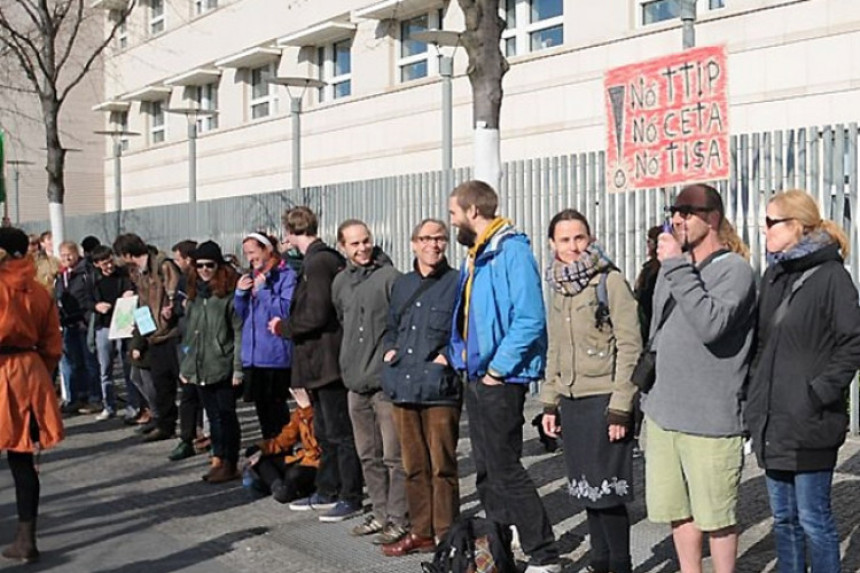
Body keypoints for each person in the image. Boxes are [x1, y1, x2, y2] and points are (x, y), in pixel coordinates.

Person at [642, 184, 757, 573]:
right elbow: (656, 332)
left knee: (717, 517)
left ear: (712, 218)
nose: (676, 219)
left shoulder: (735, 271)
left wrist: (675, 266)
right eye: (673, 211)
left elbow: (712, 325)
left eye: (686, 212)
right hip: (665, 414)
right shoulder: (671, 270)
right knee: (678, 511)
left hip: (710, 419)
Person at [447, 180, 561, 573]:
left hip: (500, 378)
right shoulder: (477, 254)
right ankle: (498, 550)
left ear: (472, 211)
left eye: (454, 213)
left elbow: (530, 317)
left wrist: (498, 369)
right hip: (477, 377)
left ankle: (544, 554)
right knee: (486, 470)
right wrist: (459, 355)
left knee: (507, 468)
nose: (452, 222)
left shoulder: (510, 250)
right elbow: (467, 316)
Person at [745, 190, 860, 573]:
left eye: (770, 222)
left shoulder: (832, 276)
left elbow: (853, 342)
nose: (764, 230)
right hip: (773, 420)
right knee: (784, 520)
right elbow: (763, 343)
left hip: (811, 420)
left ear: (797, 225)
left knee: (814, 520)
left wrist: (819, 393)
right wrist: (755, 397)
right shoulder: (774, 274)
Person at [539, 210, 641, 573]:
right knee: (586, 491)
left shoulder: (609, 281)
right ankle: (600, 563)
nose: (573, 247)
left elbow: (630, 346)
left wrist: (621, 407)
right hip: (571, 400)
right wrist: (549, 403)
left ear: (591, 237)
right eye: (564, 240)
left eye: (579, 238)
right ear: (552, 243)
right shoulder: (557, 285)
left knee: (608, 493)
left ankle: (620, 565)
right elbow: (554, 347)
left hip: (604, 400)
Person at [273, 206, 364, 524]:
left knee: (339, 431)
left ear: (289, 231)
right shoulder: (315, 261)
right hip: (318, 362)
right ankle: (329, 488)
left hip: (327, 360)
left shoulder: (319, 261)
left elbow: (317, 313)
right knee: (325, 430)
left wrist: (284, 326)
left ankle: (349, 493)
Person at [380, 218, 461, 557]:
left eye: (440, 238)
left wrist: (446, 358)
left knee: (442, 466)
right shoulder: (402, 283)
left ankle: (446, 534)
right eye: (426, 238)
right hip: (404, 385)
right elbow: (391, 325)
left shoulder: (458, 282)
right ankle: (421, 531)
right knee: (412, 465)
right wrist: (389, 352)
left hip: (439, 388)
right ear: (414, 243)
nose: (433, 245)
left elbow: (467, 330)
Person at [331, 219, 406, 544]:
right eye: (354, 244)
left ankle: (399, 518)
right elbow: (342, 321)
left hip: (385, 384)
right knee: (367, 455)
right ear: (342, 247)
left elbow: (404, 324)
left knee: (395, 457)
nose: (362, 248)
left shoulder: (391, 278)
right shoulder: (339, 283)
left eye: (366, 241)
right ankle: (378, 513)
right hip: (354, 383)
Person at [0, 227, 65, 563]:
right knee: (22, 459)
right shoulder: (39, 291)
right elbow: (53, 346)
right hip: (29, 371)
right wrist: (39, 373)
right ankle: (27, 539)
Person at [179, 241, 245, 482]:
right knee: (212, 415)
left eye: (210, 265)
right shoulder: (196, 294)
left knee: (226, 416)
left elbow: (238, 332)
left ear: (219, 266)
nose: (204, 270)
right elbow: (190, 333)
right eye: (199, 265)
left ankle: (230, 461)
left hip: (223, 364)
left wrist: (238, 368)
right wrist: (186, 366)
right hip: (199, 366)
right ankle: (218, 457)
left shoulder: (228, 295)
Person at [113, 233, 182, 443]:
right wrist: (141, 338)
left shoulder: (162, 265)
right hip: (154, 335)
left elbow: (174, 292)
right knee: (161, 384)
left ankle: (192, 428)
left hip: (171, 333)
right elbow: (143, 305)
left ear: (127, 254)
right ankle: (165, 425)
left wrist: (171, 311)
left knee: (181, 381)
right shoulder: (138, 273)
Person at [234, 232, 296, 440]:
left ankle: (282, 456)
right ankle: (270, 456)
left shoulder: (285, 274)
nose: (250, 258)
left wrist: (263, 291)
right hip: (254, 356)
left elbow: (286, 309)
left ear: (267, 249)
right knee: (263, 415)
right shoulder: (252, 276)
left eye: (253, 252)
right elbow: (242, 316)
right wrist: (240, 295)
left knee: (277, 413)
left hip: (275, 356)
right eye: (246, 254)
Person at [245, 388, 319, 503]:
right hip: (302, 459)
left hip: (317, 464)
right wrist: (261, 449)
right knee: (258, 457)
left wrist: (307, 410)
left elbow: (319, 444)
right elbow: (285, 439)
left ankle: (278, 487)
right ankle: (278, 486)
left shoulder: (319, 409)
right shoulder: (299, 412)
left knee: (294, 474)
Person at [91, 245, 137, 421]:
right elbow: (86, 300)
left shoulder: (123, 275)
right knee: (105, 369)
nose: (109, 266)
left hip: (122, 324)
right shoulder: (92, 279)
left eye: (110, 261)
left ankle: (132, 406)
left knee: (127, 367)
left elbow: (132, 289)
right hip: (103, 326)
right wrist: (96, 306)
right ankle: (108, 406)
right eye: (104, 263)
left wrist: (129, 293)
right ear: (96, 264)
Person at [55, 240, 101, 414]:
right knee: (74, 362)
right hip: (68, 322)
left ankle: (95, 397)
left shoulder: (85, 272)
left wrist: (87, 315)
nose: (66, 258)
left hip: (84, 321)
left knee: (89, 360)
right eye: (63, 255)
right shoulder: (61, 275)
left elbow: (88, 294)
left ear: (76, 253)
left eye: (69, 254)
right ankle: (78, 397)